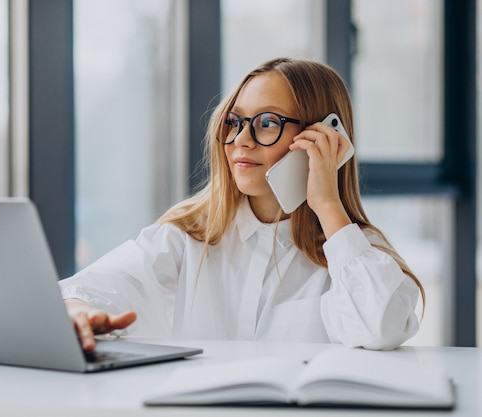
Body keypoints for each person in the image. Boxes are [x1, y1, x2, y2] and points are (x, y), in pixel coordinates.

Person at [59, 57, 425, 352]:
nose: (241, 140)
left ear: (321, 138)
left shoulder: (353, 251)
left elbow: (384, 327)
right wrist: (77, 312)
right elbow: (82, 289)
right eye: (234, 122)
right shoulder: (189, 237)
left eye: (267, 123)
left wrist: (327, 203)